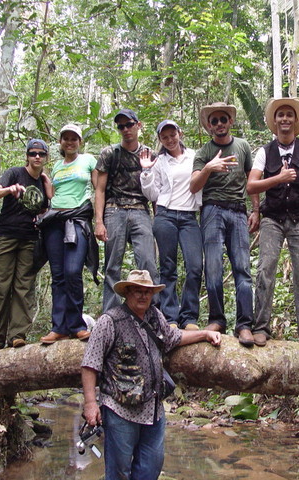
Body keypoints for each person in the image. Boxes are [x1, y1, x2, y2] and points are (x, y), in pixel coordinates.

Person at [81, 270, 221, 480]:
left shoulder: (155, 317)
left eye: (147, 291)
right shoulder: (110, 321)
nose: (143, 296)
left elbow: (174, 337)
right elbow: (90, 364)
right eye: (138, 291)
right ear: (127, 292)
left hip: (153, 409)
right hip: (120, 410)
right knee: (118, 472)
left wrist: (205, 333)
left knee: (150, 469)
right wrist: (90, 404)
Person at [247, 97, 299, 351]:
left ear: (295, 120)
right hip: (272, 218)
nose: (284, 119)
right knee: (265, 270)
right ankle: (260, 327)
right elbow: (251, 185)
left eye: (289, 115)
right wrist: (278, 179)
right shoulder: (265, 151)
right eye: (280, 115)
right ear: (274, 121)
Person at [189, 102, 259, 347]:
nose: (219, 124)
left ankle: (245, 325)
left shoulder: (242, 146)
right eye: (214, 121)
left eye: (223, 120)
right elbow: (194, 186)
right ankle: (217, 318)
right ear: (209, 126)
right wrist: (209, 167)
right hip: (212, 211)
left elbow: (252, 180)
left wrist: (256, 211)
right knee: (214, 268)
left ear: (230, 121)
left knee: (242, 268)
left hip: (238, 212)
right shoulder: (204, 152)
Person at [0, 139, 51, 355]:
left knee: (24, 287)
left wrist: (49, 190)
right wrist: (8, 190)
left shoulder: (43, 181)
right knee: (0, 288)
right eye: (33, 153)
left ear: (46, 157)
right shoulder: (14, 173)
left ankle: (17, 336)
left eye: (41, 154)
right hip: (5, 236)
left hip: (30, 239)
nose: (37, 157)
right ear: (27, 156)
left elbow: (46, 209)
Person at [94, 109, 160, 312]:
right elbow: (100, 189)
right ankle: (110, 316)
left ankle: (153, 313)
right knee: (113, 265)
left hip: (140, 210)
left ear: (138, 125)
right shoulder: (109, 154)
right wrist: (99, 221)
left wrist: (158, 222)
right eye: (121, 126)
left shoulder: (149, 154)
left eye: (129, 124)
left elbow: (155, 191)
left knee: (148, 262)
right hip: (115, 210)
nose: (125, 129)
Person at [140, 120, 203, 330]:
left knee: (194, 265)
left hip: (188, 217)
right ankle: (170, 318)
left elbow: (203, 180)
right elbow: (152, 194)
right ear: (160, 139)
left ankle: (190, 317)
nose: (169, 140)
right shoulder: (159, 162)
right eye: (164, 137)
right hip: (165, 215)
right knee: (168, 267)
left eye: (172, 135)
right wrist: (147, 172)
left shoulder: (194, 156)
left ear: (180, 133)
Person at [38, 124, 98, 344]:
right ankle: (59, 327)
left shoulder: (88, 160)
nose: (70, 142)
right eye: (66, 139)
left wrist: (100, 218)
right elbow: (53, 193)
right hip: (54, 221)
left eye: (74, 139)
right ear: (61, 142)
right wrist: (44, 180)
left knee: (73, 271)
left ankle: (77, 325)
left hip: (78, 219)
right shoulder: (55, 166)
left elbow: (98, 187)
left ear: (80, 142)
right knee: (58, 275)